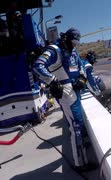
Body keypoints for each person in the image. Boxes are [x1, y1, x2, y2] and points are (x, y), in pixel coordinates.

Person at [33, 28, 93, 171]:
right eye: (72, 42)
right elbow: (37, 65)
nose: (74, 45)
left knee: (77, 122)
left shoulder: (73, 50)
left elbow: (81, 65)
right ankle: (80, 163)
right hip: (66, 91)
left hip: (76, 90)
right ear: (65, 38)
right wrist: (53, 81)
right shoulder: (54, 49)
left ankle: (81, 147)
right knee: (76, 126)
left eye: (76, 43)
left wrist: (82, 78)